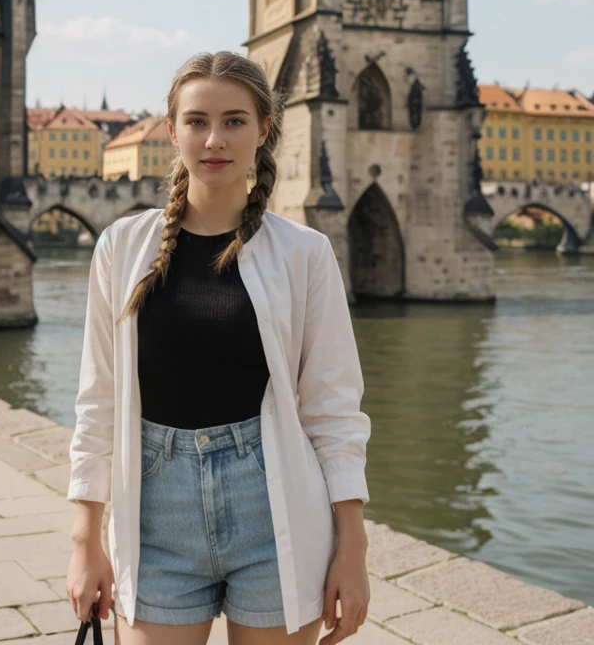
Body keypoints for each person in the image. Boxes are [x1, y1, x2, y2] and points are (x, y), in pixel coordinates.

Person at [66, 51, 371, 644]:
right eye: (197, 121)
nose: (214, 139)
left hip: (276, 507)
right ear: (173, 131)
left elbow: (334, 410)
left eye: (234, 121)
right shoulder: (122, 247)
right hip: (155, 510)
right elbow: (97, 401)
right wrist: (85, 539)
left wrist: (352, 548)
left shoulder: (305, 254)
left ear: (263, 130)